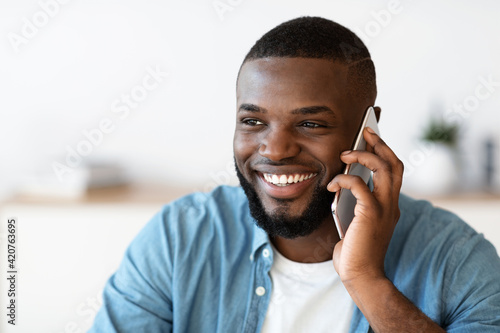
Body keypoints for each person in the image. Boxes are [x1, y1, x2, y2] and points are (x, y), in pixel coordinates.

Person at [89, 16, 500, 332]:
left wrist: (367, 281)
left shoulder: (457, 259)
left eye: (311, 124)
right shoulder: (179, 238)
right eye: (253, 121)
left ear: (368, 132)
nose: (276, 150)